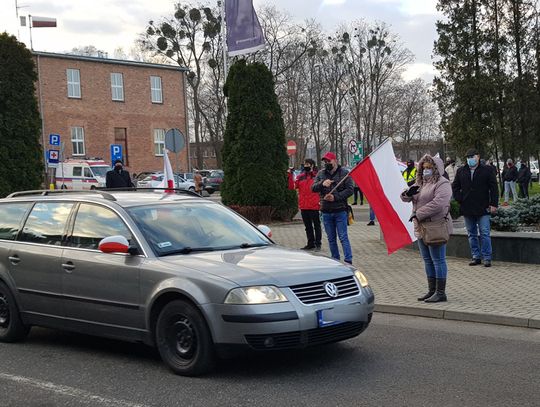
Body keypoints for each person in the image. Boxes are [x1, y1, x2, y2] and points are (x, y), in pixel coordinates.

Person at [401, 155, 452, 303]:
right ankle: (431, 290)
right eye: (424, 168)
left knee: (438, 260)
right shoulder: (420, 182)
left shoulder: (443, 183)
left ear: (436, 168)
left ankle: (441, 292)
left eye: (429, 168)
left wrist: (419, 213)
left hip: (436, 226)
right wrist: (407, 194)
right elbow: (407, 197)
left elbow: (439, 203)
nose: (425, 171)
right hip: (421, 226)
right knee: (427, 260)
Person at [452, 148, 498, 267]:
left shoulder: (487, 170)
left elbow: (493, 188)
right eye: (468, 157)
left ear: (478, 157)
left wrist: (493, 204)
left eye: (472, 156)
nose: (470, 159)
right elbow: (455, 186)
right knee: (471, 233)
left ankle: (487, 257)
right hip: (467, 207)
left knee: (484, 232)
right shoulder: (461, 171)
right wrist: (459, 198)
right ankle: (476, 256)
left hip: (483, 207)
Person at [312, 152, 354, 264]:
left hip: (340, 210)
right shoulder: (321, 174)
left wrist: (335, 197)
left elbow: (350, 189)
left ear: (335, 161)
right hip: (326, 211)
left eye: (328, 161)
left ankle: (348, 260)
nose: (327, 164)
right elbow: (313, 188)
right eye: (325, 162)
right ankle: (336, 260)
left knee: (343, 237)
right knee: (331, 238)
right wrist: (322, 184)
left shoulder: (344, 173)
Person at [294, 159, 322, 251]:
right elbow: (293, 186)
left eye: (308, 164)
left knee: (316, 226)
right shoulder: (301, 177)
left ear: (312, 165)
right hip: (304, 205)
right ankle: (310, 243)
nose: (306, 166)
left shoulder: (317, 176)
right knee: (308, 226)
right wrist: (290, 175)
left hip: (314, 205)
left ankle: (318, 244)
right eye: (305, 164)